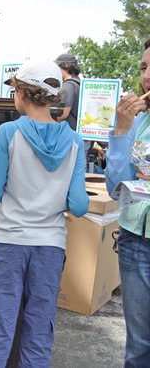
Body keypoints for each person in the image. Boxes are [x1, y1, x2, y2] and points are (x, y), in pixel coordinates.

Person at [0, 60, 89, 367]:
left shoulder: (9, 132)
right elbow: (78, 206)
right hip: (51, 246)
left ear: (23, 93)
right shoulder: (77, 142)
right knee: (40, 329)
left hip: (10, 242)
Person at [105, 40, 150, 367]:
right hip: (136, 241)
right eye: (144, 67)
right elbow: (114, 189)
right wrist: (121, 130)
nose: (146, 76)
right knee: (139, 346)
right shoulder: (138, 123)